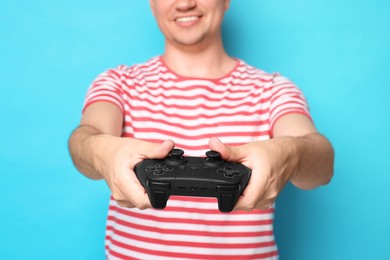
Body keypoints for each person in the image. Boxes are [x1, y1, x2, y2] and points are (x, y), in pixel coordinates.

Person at [68, 0, 334, 259]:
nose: (184, 4)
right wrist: (100, 150)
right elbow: (87, 136)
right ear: (152, 3)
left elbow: (321, 165)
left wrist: (290, 153)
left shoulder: (273, 89)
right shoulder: (118, 83)